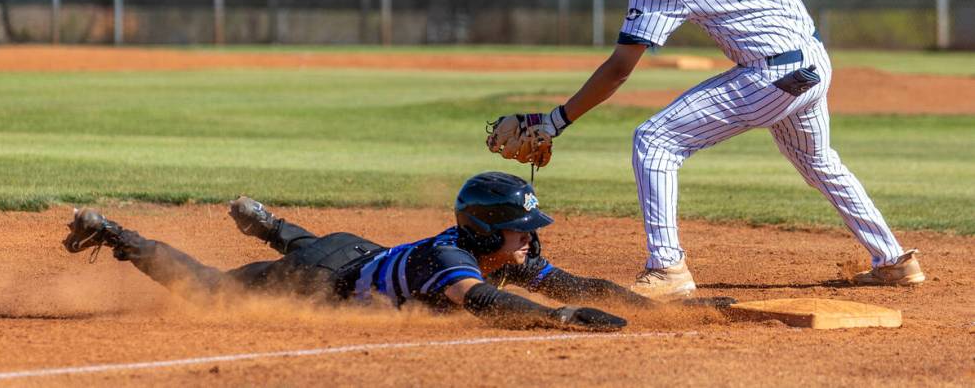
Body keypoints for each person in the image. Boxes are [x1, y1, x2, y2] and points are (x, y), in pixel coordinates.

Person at [486, 0, 924, 300]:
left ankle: (667, 267)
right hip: (812, 60)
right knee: (819, 162)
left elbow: (620, 68)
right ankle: (893, 260)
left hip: (775, 75)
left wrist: (556, 121)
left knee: (655, 141)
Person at [61, 172, 726, 330]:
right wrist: (561, 322)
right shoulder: (457, 264)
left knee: (331, 247)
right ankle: (117, 235)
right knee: (208, 288)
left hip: (357, 254)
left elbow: (577, 284)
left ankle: (266, 221)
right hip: (316, 279)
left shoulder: (490, 250)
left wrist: (649, 309)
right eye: (522, 230)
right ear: (489, 231)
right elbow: (486, 302)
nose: (533, 239)